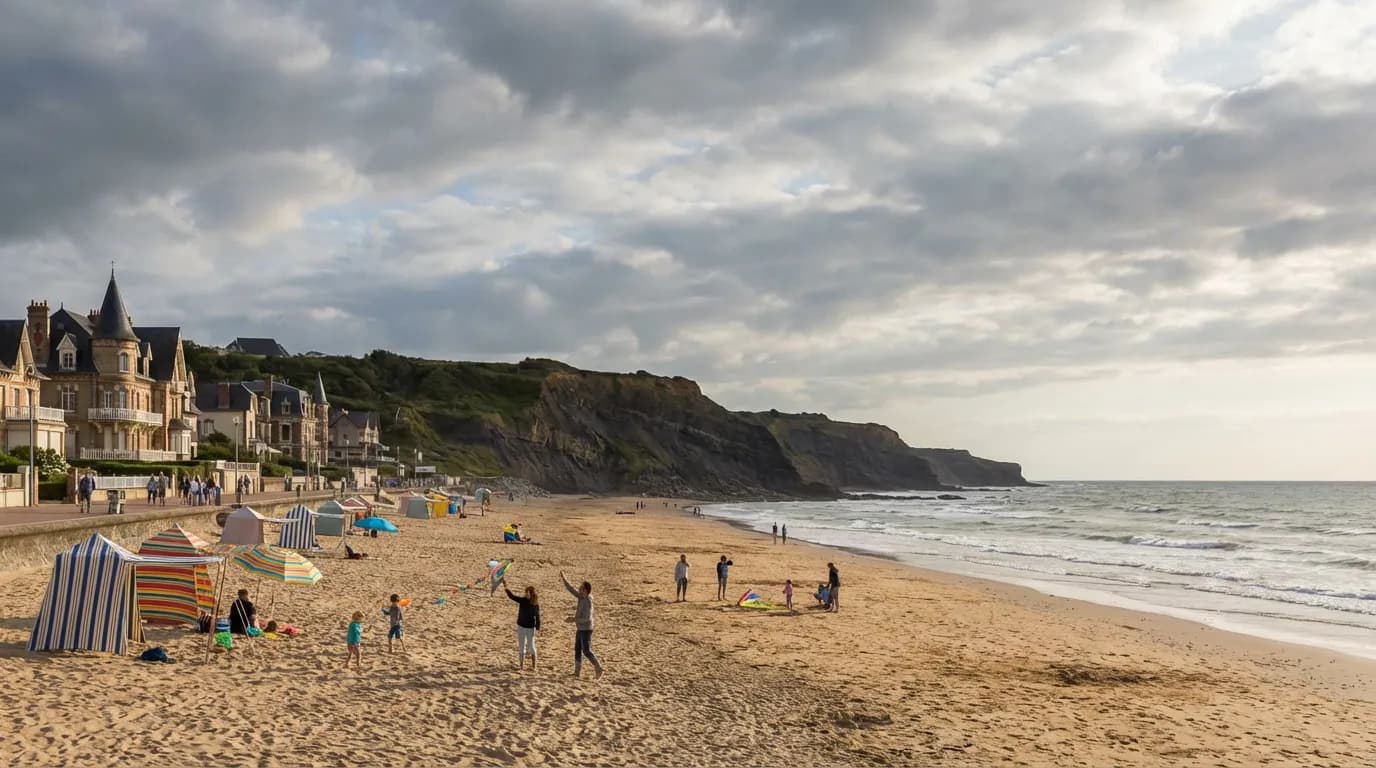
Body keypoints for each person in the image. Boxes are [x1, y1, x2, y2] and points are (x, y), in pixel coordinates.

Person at [559, 571, 603, 679]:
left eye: (582, 588)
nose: (580, 589)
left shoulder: (588, 601)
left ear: (587, 591)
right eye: (580, 588)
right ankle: (577, 672)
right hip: (580, 627)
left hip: (587, 628)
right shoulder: (580, 597)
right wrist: (564, 578)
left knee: (586, 650)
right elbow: (571, 589)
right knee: (577, 648)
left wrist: (574, 619)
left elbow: (587, 618)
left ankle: (598, 668)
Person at [504, 582, 541, 671]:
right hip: (521, 627)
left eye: (527, 592)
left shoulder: (535, 604)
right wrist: (506, 587)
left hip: (530, 628)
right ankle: (521, 666)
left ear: (530, 593)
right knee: (521, 646)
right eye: (525, 592)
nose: (525, 594)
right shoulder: (523, 600)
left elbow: (537, 617)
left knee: (531, 647)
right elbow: (512, 596)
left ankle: (534, 666)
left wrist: (538, 628)